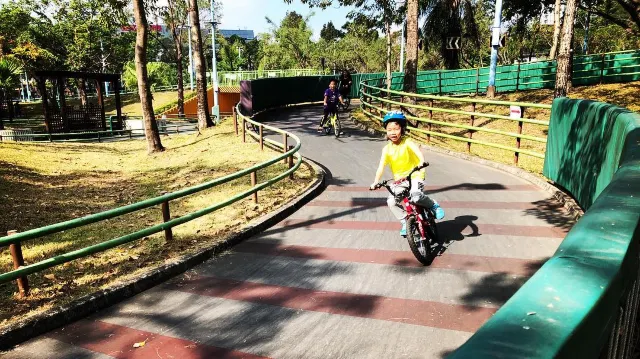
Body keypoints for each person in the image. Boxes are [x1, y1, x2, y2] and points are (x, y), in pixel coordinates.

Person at [370, 110, 445, 236]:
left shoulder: (407, 142)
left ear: (402, 129)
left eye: (396, 129)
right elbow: (380, 167)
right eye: (389, 130)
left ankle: (433, 205)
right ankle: (405, 221)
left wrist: (421, 162)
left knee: (415, 196)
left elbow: (418, 153)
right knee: (391, 202)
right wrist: (376, 182)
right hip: (400, 180)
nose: (393, 132)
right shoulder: (386, 149)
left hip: (415, 174)